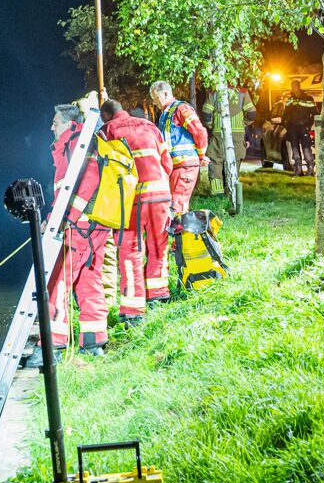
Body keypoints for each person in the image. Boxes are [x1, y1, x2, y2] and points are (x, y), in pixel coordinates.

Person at [100, 98, 175, 310]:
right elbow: (166, 163)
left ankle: (133, 309)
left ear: (105, 115)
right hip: (160, 195)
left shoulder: (108, 131)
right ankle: (158, 295)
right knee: (158, 247)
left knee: (130, 251)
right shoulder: (150, 126)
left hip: (130, 201)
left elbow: (103, 171)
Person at [49, 101, 109, 354]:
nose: (51, 126)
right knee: (88, 280)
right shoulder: (78, 141)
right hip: (92, 224)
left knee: (58, 280)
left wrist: (67, 218)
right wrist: (53, 215)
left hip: (79, 226)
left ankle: (53, 344)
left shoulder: (75, 142)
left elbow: (87, 182)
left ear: (67, 122)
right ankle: (93, 342)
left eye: (55, 122)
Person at [150, 80, 209, 214]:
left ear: (165, 93)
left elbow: (200, 132)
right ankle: (180, 232)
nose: (154, 103)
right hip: (175, 166)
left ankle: (182, 233)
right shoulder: (165, 114)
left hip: (184, 166)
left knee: (177, 206)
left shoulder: (181, 109)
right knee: (173, 205)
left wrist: (200, 156)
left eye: (156, 98)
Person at [203, 83, 256, 192]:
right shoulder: (243, 92)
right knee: (234, 161)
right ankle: (232, 192)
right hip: (237, 134)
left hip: (219, 133)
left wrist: (212, 125)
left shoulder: (214, 92)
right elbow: (252, 113)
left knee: (215, 161)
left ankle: (217, 193)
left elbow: (206, 113)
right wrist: (243, 124)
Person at [280, 83, 317, 176]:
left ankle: (310, 169)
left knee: (306, 148)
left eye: (295, 86)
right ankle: (298, 170)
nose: (294, 89)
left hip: (304, 127)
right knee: (295, 149)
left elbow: (315, 113)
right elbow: (285, 114)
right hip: (292, 128)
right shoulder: (290, 100)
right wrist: (286, 125)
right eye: (292, 87)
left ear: (299, 87)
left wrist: (308, 126)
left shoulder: (308, 99)